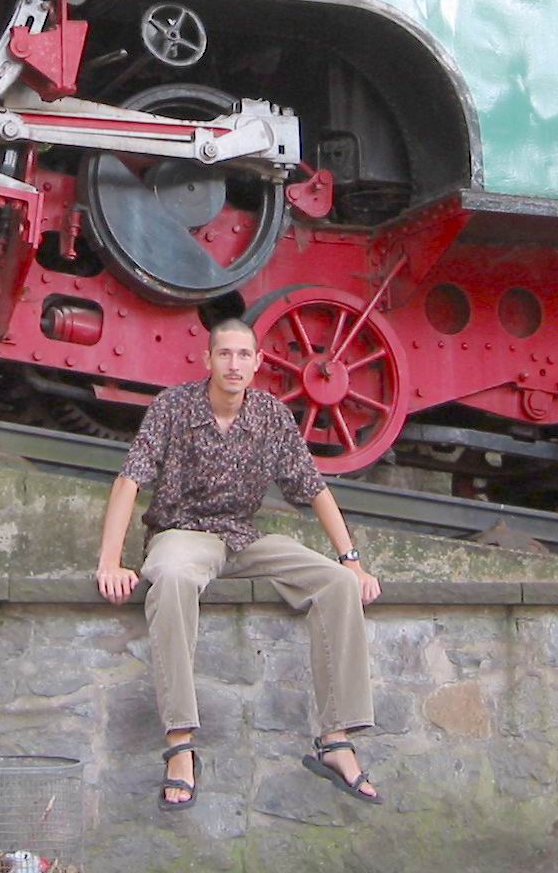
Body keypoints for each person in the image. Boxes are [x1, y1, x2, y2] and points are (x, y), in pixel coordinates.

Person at [94, 315, 383, 810]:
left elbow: (314, 488)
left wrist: (351, 561)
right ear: (207, 360)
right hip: (182, 534)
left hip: (242, 539)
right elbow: (130, 481)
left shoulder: (271, 416)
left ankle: (336, 741)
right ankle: (180, 745)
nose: (234, 363)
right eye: (224, 354)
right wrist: (110, 561)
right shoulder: (173, 407)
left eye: (244, 355)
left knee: (335, 583)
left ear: (257, 364)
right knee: (172, 576)